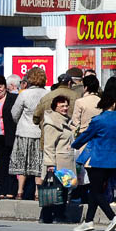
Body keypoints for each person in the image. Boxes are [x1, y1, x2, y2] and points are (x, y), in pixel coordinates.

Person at [72, 80, 116, 231]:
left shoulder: (98, 120)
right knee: (98, 189)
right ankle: (89, 221)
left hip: (99, 159)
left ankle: (112, 217)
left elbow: (86, 136)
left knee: (96, 191)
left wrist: (74, 144)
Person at [9, 66, 49, 201]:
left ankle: (20, 191)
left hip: (24, 132)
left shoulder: (24, 94)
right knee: (38, 163)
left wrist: (20, 122)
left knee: (22, 164)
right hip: (40, 133)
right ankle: (37, 193)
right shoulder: (47, 94)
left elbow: (14, 114)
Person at [39, 95, 77, 224]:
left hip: (65, 160)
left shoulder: (66, 121)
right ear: (55, 107)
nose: (65, 108)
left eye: (66, 106)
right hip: (57, 162)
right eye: (62, 106)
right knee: (56, 190)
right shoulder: (52, 123)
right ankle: (56, 215)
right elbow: (48, 145)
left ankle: (50, 215)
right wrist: (50, 164)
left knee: (61, 189)